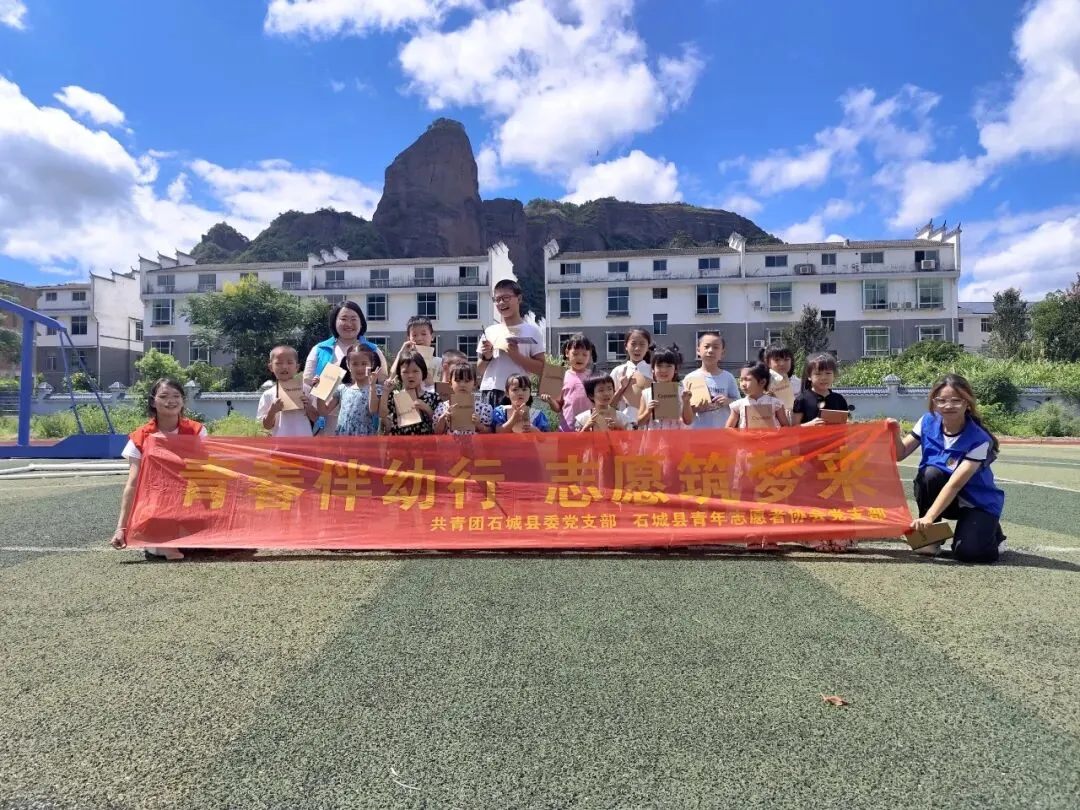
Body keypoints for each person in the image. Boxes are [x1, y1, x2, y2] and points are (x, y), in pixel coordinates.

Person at [893, 374, 1007, 562]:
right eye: (942, 400)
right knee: (930, 474)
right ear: (934, 402)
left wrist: (929, 518)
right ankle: (931, 539)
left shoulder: (979, 439)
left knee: (968, 554)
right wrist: (894, 433)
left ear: (967, 402)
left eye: (956, 400)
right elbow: (900, 454)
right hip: (945, 499)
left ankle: (994, 533)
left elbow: (954, 484)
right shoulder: (927, 421)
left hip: (975, 502)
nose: (948, 406)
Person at [109, 378, 207, 562]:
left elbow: (206, 471)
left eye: (176, 396)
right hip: (157, 501)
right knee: (157, 530)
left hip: (190, 498)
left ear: (183, 400)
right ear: (153, 402)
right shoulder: (140, 437)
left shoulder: (197, 431)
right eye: (164, 396)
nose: (171, 401)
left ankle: (173, 537)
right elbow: (133, 483)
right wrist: (121, 527)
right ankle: (162, 540)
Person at [303, 301, 389, 434]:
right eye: (343, 319)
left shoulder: (373, 350)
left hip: (365, 422)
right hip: (326, 421)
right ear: (334, 322)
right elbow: (307, 382)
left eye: (353, 319)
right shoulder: (319, 349)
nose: (349, 324)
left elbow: (383, 381)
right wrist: (318, 386)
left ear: (361, 322)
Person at [477, 280, 546, 409]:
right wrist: (486, 357)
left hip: (518, 391)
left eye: (506, 298)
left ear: (519, 298)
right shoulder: (490, 331)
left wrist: (517, 356)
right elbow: (479, 370)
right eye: (497, 299)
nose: (501, 303)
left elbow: (541, 368)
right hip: (490, 390)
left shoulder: (532, 331)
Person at [320, 343, 382, 437]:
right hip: (343, 439)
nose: (360, 368)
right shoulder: (342, 389)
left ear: (372, 364)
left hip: (365, 440)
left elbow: (373, 410)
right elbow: (323, 411)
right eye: (355, 364)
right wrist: (319, 390)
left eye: (364, 363)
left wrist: (372, 386)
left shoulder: (377, 389)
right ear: (348, 365)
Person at [683, 332, 740, 429]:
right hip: (698, 432)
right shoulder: (690, 378)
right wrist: (695, 408)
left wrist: (728, 401)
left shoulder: (728, 377)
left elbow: (739, 403)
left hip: (723, 432)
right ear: (698, 351)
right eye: (706, 346)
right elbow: (685, 411)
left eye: (716, 347)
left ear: (722, 353)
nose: (710, 350)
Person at [257, 346, 317, 436]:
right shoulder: (268, 395)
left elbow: (317, 419)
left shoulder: (307, 390)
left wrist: (309, 407)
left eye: (290, 363)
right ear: (271, 367)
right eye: (279, 363)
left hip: (305, 441)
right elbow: (266, 426)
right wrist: (272, 411)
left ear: (297, 367)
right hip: (280, 442)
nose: (284, 367)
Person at [543, 333, 597, 432]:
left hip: (590, 428)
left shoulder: (595, 377)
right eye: (575, 354)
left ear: (590, 355)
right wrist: (550, 400)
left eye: (584, 354)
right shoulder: (560, 377)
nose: (580, 358)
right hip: (567, 429)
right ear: (567, 353)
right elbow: (558, 408)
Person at [379, 350, 439, 436]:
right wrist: (385, 392)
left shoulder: (433, 397)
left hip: (424, 443)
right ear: (399, 374)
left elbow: (438, 424)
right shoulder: (395, 396)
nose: (410, 375)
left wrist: (427, 409)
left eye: (415, 371)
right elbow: (382, 414)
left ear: (423, 372)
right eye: (405, 372)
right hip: (399, 442)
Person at [638, 344, 694, 430]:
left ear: (675, 369)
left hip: (677, 436)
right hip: (654, 437)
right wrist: (648, 411)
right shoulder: (647, 393)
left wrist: (686, 402)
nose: (664, 370)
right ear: (653, 369)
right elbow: (639, 422)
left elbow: (688, 421)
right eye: (659, 366)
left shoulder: (682, 393)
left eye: (668, 366)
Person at [434, 363, 494, 435]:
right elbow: (436, 433)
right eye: (458, 380)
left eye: (467, 381)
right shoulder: (443, 407)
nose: (462, 385)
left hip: (474, 442)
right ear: (450, 384)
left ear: (475, 384)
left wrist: (479, 425)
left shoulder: (483, 408)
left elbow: (490, 434)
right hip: (450, 442)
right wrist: (443, 418)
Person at [726, 362, 790, 429]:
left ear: (762, 382)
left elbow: (786, 426)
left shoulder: (775, 403)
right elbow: (729, 428)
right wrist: (740, 434)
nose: (743, 384)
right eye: (741, 380)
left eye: (747, 379)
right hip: (746, 436)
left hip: (771, 435)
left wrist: (777, 432)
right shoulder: (738, 405)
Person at [611, 328, 653, 428]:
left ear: (648, 347)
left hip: (649, 425)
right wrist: (621, 389)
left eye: (642, 344)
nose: (637, 348)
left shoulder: (653, 371)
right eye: (633, 344)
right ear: (626, 346)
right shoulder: (618, 371)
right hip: (624, 425)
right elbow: (609, 404)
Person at [792, 354, 849, 426]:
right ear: (809, 376)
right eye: (818, 374)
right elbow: (794, 427)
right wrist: (809, 425)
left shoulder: (839, 399)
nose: (823, 378)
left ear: (834, 375)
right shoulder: (801, 400)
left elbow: (845, 421)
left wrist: (848, 423)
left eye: (828, 373)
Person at [389, 315, 441, 387]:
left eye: (423, 334)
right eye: (414, 335)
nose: (419, 338)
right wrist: (400, 353)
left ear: (432, 336)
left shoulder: (440, 362)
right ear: (408, 338)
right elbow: (391, 379)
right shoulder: (405, 362)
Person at [763, 343, 801, 420]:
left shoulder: (798, 383)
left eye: (786, 359)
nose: (782, 363)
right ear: (768, 362)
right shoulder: (762, 384)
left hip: (795, 422)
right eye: (777, 360)